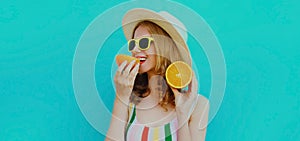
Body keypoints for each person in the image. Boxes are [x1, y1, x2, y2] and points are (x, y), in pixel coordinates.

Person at [106, 8, 209, 141]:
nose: (135, 50)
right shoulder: (129, 100)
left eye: (143, 42)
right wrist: (120, 97)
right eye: (133, 44)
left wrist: (182, 114)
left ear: (165, 47)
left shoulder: (198, 105)